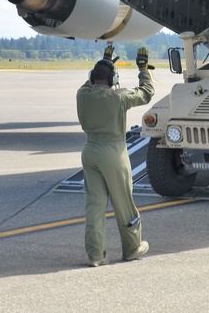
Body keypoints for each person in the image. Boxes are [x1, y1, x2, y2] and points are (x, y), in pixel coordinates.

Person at [76, 44, 155, 267]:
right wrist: (143, 69)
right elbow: (147, 93)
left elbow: (90, 82)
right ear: (114, 79)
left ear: (92, 76)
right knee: (124, 204)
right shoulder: (119, 97)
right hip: (113, 152)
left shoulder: (82, 95)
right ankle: (132, 248)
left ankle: (95, 255)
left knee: (94, 206)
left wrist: (104, 60)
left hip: (89, 150)